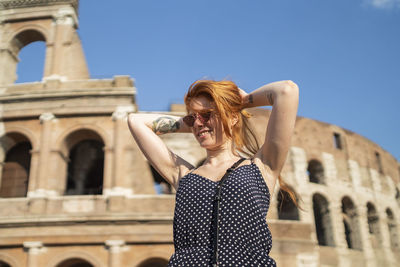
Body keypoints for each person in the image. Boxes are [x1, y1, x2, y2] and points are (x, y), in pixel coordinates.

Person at [127, 79, 299, 266]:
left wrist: (238, 103)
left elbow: (286, 91)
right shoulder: (182, 174)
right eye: (193, 117)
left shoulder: (263, 166)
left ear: (233, 117)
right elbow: (136, 121)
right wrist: (194, 123)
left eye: (207, 114)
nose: (199, 123)